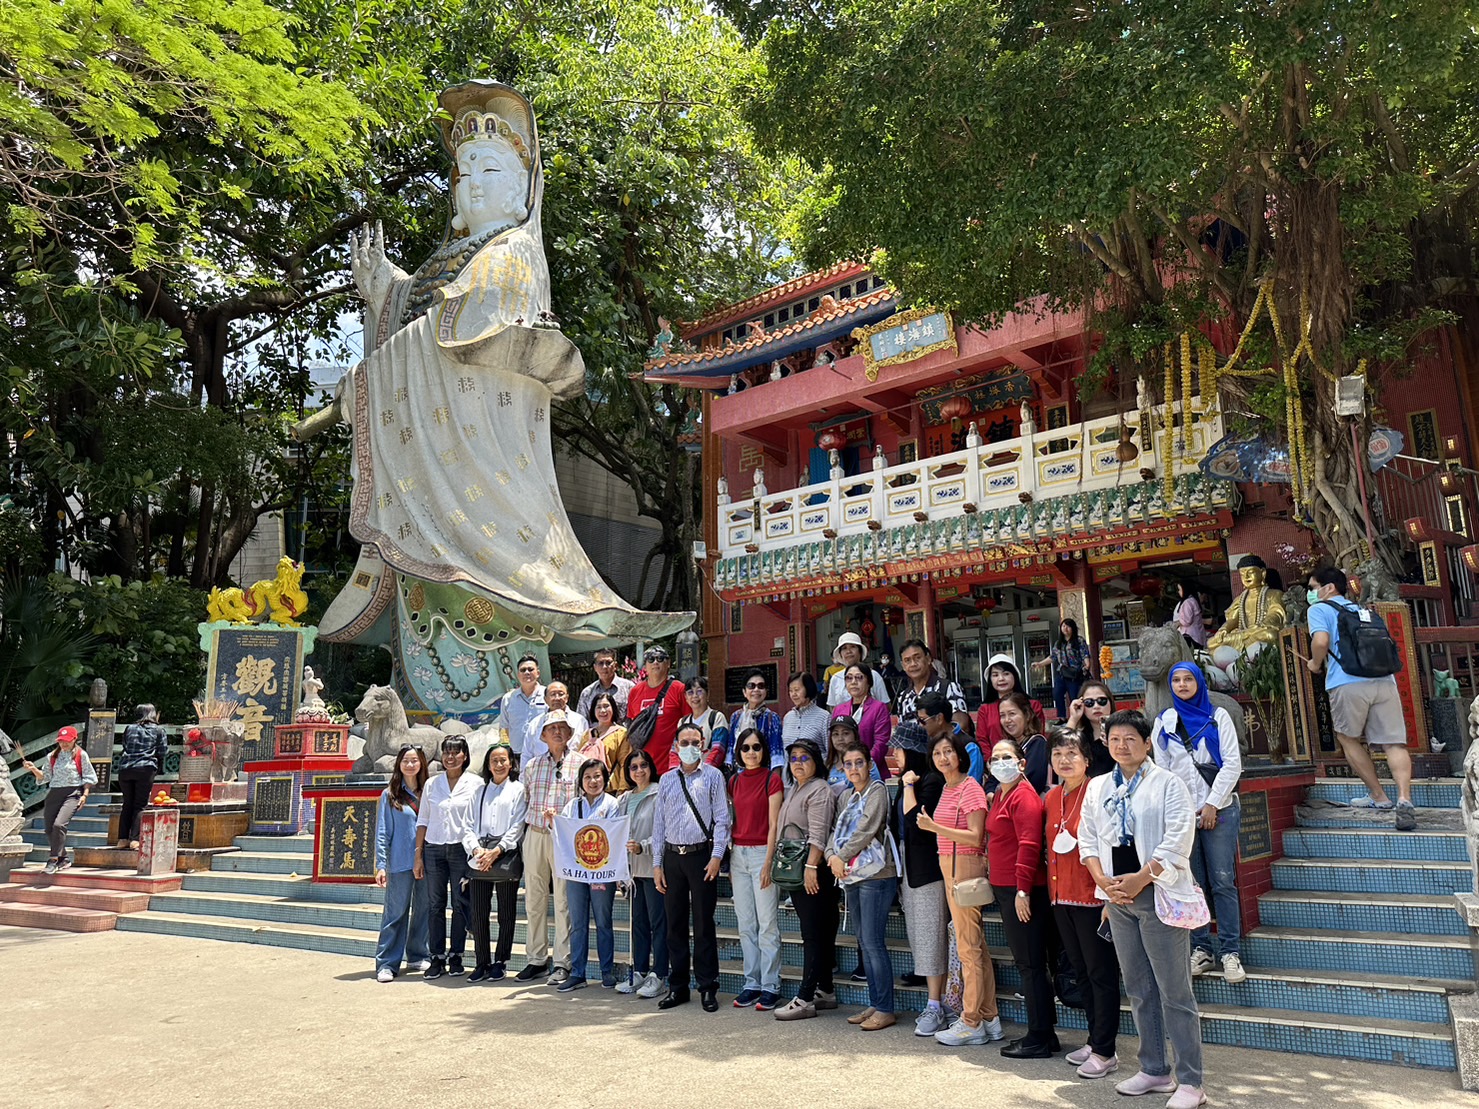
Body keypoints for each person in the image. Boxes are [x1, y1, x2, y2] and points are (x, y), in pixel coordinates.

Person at [1080, 710, 1205, 1109]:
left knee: (1174, 991)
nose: (1122, 746)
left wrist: (1140, 878)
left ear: (1147, 742)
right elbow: (1088, 837)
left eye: (1130, 738)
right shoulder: (1098, 786)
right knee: (1137, 987)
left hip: (1157, 895)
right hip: (1117, 898)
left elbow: (1178, 839)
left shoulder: (1168, 784)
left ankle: (1191, 1082)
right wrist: (1102, 880)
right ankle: (1153, 1069)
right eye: (1114, 739)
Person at [1150, 661, 1246, 983]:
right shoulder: (1164, 722)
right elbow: (1161, 771)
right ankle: (1201, 948)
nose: (1181, 685)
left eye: (1187, 679)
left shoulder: (1218, 717)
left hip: (1220, 811)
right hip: (1183, 817)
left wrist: (1211, 805)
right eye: (1175, 680)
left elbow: (1232, 764)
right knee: (1193, 884)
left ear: (1199, 682)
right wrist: (1179, 813)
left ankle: (1230, 951)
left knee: (1222, 881)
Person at [1307, 565, 1416, 832]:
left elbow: (1321, 641)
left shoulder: (1319, 609)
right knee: (1393, 743)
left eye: (1312, 588)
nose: (1310, 594)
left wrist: (1314, 663)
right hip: (1383, 680)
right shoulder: (1364, 610)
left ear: (1328, 588)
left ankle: (1379, 796)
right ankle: (1404, 799)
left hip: (1347, 681)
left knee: (1347, 737)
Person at [916, 728, 1003, 1046]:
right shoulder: (948, 787)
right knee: (974, 946)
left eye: (948, 752)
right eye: (937, 753)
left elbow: (975, 836)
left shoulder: (970, 788)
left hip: (964, 867)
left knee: (968, 949)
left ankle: (971, 1022)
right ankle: (989, 1016)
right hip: (949, 867)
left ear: (960, 755)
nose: (942, 758)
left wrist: (934, 827)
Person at [1046, 728, 1121, 1078]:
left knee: (1101, 974)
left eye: (1071, 753)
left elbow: (1109, 843)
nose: (1064, 760)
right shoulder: (1052, 797)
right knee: (1081, 973)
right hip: (1061, 897)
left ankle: (1106, 1051)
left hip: (1093, 897)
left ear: (1086, 759)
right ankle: (1094, 1039)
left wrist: (1109, 897)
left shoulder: (1098, 790)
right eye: (1058, 753)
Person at [652, 721, 731, 1011]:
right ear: (675, 746)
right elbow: (659, 823)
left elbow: (722, 820)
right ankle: (678, 987)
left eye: (694, 742)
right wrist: (657, 863)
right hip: (672, 857)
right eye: (683, 743)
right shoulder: (666, 779)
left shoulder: (713, 777)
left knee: (703, 925)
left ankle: (707, 987)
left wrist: (717, 856)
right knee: (674, 926)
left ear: (703, 746)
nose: (689, 748)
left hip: (702, 858)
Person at [986, 738, 1057, 1058]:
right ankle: (1044, 1034)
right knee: (1027, 963)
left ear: (1022, 762)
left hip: (1022, 890)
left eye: (1007, 757)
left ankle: (1039, 1036)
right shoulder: (1003, 793)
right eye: (995, 758)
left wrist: (1022, 891)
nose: (1000, 762)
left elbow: (1028, 847)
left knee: (1030, 964)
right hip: (1006, 889)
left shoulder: (1024, 796)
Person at [826, 743, 900, 1031]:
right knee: (863, 941)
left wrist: (839, 857)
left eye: (859, 762)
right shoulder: (846, 795)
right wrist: (832, 856)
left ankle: (885, 1008)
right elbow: (835, 830)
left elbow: (867, 829)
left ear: (869, 763)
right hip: (852, 875)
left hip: (877, 875)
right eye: (848, 764)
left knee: (872, 941)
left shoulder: (877, 791)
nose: (854, 768)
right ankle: (875, 1001)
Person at [895, 702, 954, 1037]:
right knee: (921, 937)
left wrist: (906, 787)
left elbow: (915, 824)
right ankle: (939, 1001)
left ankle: (935, 1004)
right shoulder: (916, 783)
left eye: (899, 750)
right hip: (911, 872)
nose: (895, 757)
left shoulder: (929, 783)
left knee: (932, 939)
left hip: (930, 872)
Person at [774, 738, 840, 1021]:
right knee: (818, 932)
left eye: (805, 757)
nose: (798, 763)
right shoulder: (795, 789)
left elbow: (818, 833)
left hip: (813, 870)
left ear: (817, 761)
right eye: (794, 758)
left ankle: (804, 998)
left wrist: (811, 866)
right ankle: (824, 990)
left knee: (812, 934)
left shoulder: (820, 790)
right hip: (799, 870)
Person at [516, 710, 584, 984]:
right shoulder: (532, 765)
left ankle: (562, 961)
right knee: (534, 898)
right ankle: (536, 958)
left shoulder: (581, 763)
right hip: (534, 833)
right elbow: (525, 799)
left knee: (564, 899)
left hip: (564, 838)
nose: (557, 732)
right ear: (542, 736)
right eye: (551, 728)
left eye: (562, 728)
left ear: (569, 734)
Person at [414, 735, 480, 979]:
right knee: (435, 905)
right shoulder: (432, 784)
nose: (450, 757)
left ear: (465, 756)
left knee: (461, 904)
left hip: (461, 851)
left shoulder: (476, 783)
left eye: (456, 752)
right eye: (446, 752)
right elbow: (423, 821)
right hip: (433, 849)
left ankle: (457, 956)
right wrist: (418, 855)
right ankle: (436, 957)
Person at [727, 727, 784, 1009]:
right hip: (738, 855)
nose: (751, 753)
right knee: (746, 924)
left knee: (767, 924)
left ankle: (771, 985)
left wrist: (769, 862)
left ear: (764, 750)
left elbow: (775, 824)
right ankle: (752, 982)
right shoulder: (734, 781)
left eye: (757, 747)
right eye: (746, 748)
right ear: (738, 752)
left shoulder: (772, 780)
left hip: (763, 852)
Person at [463, 742, 527, 983]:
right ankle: (481, 961)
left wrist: (497, 851)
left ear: (511, 763)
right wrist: (478, 850)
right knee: (478, 912)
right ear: (488, 765)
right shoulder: (478, 792)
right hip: (479, 857)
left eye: (503, 760)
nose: (499, 765)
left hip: (505, 856)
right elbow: (467, 826)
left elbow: (518, 825)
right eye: (494, 761)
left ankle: (500, 961)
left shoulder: (518, 790)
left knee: (506, 913)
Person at [559, 758, 622, 991]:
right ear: (581, 781)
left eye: (597, 776)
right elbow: (562, 833)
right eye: (587, 777)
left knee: (603, 921)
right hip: (576, 873)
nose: (593, 781)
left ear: (604, 779)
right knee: (577, 922)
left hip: (602, 872)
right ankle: (577, 972)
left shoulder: (612, 804)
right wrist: (550, 822)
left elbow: (615, 835)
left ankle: (607, 972)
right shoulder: (572, 805)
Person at [374, 744, 431, 982]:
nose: (410, 764)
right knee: (395, 913)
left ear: (421, 764)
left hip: (428, 862)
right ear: (399, 764)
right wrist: (380, 863)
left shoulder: (430, 791)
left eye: (414, 760)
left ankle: (418, 954)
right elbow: (382, 831)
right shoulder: (390, 794)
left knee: (424, 911)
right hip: (399, 861)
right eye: (405, 760)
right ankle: (387, 962)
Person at [617, 749, 668, 998]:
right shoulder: (624, 799)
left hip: (653, 868)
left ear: (651, 767)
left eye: (643, 765)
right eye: (634, 767)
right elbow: (615, 832)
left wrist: (642, 846)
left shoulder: (659, 793)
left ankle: (658, 974)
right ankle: (639, 971)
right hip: (632, 873)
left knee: (658, 923)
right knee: (638, 924)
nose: (639, 771)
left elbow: (663, 831)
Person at [29, 726, 96, 874]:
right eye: (61, 741)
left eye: (67, 741)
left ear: (74, 739)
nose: (64, 744)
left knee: (59, 825)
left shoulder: (80, 755)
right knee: (49, 828)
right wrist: (33, 769)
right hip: (54, 793)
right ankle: (63, 858)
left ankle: (53, 860)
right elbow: (45, 777)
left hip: (73, 793)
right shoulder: (52, 756)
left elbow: (88, 777)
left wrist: (85, 795)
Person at [627, 645, 687, 774]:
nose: (655, 662)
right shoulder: (635, 692)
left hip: (672, 767)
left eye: (660, 659)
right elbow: (632, 726)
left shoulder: (679, 689)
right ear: (645, 666)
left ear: (668, 663)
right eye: (650, 659)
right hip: (643, 771)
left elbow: (689, 724)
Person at [116, 704, 167, 850]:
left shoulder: (129, 728)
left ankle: (122, 839)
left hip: (125, 768)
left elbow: (125, 746)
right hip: (145, 768)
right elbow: (162, 750)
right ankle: (135, 840)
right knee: (140, 805)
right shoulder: (158, 730)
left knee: (127, 804)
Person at [829, 663, 892, 779]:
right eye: (849, 678)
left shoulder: (879, 708)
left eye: (859, 677)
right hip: (842, 772)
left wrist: (862, 766)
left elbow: (881, 743)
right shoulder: (838, 709)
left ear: (869, 682)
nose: (853, 682)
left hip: (872, 771)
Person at [895, 638, 970, 734]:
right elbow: (902, 733)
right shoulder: (903, 698)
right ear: (903, 666)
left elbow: (961, 725)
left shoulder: (948, 687)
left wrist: (937, 745)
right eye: (907, 660)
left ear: (928, 659)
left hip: (943, 747)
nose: (913, 664)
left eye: (917, 658)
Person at [976, 654, 1043, 747]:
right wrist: (992, 760)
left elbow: (1038, 736)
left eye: (1006, 674)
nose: (1001, 679)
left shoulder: (1033, 705)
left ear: (1014, 676)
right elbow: (982, 740)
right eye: (995, 675)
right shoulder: (985, 709)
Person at [918, 691, 985, 783]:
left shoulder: (969, 746)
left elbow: (972, 783)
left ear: (939, 718)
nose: (920, 725)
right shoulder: (925, 743)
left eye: (922, 720)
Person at [1034, 619, 1092, 721]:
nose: (1065, 628)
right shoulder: (1059, 643)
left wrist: (1087, 665)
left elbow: (1085, 654)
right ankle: (1062, 717)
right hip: (1062, 673)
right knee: (1057, 693)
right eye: (1063, 626)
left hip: (1075, 673)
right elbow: (1053, 657)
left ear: (1073, 628)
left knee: (1074, 696)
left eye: (1068, 626)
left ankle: (1078, 718)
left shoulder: (1079, 641)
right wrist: (1040, 664)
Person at [728, 670, 785, 770]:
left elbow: (776, 757)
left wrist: (774, 782)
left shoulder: (772, 718)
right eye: (751, 686)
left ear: (766, 691)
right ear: (744, 692)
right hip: (739, 775)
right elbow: (730, 751)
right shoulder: (736, 717)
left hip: (763, 775)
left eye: (761, 686)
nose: (756, 689)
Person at [496, 654, 546, 763]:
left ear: (538, 673)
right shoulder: (508, 698)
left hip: (542, 753)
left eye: (530, 669)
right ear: (518, 675)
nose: (527, 672)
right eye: (523, 670)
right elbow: (505, 728)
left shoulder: (547, 696)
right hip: (517, 755)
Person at [996, 692, 1050, 794]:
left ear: (1026, 715)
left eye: (1012, 714)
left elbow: (1031, 781)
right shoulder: (1008, 747)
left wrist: (1001, 792)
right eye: (1002, 715)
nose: (1007, 720)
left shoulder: (1037, 744)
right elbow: (991, 781)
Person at [1064, 680, 1118, 778]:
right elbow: (1061, 748)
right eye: (1089, 703)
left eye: (1102, 701)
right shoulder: (1081, 737)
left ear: (1110, 702)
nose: (1096, 706)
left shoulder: (1123, 730)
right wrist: (1073, 718)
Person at [824, 631, 892, 708]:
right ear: (840, 654)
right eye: (844, 648)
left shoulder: (874, 675)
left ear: (860, 651)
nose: (848, 651)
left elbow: (885, 705)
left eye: (852, 647)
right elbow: (833, 707)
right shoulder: (836, 678)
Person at [677, 676, 731, 769]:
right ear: (685, 697)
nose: (695, 696)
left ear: (707, 694)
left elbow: (718, 750)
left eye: (699, 691)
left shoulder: (716, 718)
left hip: (709, 774)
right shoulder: (682, 722)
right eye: (690, 692)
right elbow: (675, 751)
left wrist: (703, 772)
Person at [581, 691, 631, 789]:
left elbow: (624, 763)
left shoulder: (621, 733)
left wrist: (623, 789)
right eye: (598, 707)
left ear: (613, 708)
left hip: (610, 788)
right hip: (588, 788)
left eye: (606, 706)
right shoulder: (587, 734)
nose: (603, 710)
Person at [531, 681, 587, 763]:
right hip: (541, 769)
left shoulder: (580, 721)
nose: (557, 698)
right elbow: (527, 753)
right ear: (545, 699)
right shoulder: (535, 723)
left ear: (567, 698)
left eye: (561, 694)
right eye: (553, 694)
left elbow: (586, 748)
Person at [781, 672, 832, 761]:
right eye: (790, 691)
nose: (793, 694)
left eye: (797, 690)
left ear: (808, 689)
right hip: (790, 772)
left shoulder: (824, 717)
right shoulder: (787, 718)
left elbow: (830, 752)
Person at [826, 716, 881, 795]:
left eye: (846, 733)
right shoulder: (826, 765)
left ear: (855, 735)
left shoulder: (867, 763)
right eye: (835, 734)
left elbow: (875, 790)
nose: (840, 738)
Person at [576, 646, 634, 721]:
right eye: (600, 663)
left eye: (608, 663)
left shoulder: (629, 688)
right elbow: (582, 721)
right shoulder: (587, 693)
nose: (604, 667)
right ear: (595, 667)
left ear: (615, 666)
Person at [1174, 583, 1206, 649]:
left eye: (1180, 589)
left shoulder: (1187, 602)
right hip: (1197, 636)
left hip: (1190, 636)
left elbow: (1187, 621)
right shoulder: (1194, 601)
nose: (1178, 592)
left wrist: (1178, 623)